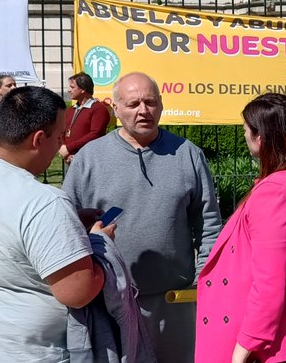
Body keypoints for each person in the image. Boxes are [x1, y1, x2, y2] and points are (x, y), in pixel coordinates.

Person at [0, 85, 114, 361]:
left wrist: (69, 226)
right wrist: (100, 244)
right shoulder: (45, 201)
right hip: (23, 353)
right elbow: (77, 291)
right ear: (39, 139)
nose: (61, 143)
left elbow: (3, 230)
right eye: (60, 136)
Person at [63, 72, 223, 362]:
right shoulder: (90, 158)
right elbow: (66, 225)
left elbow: (208, 224)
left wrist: (202, 281)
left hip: (173, 304)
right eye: (133, 104)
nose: (143, 110)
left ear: (161, 105)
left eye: (150, 102)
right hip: (108, 304)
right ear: (115, 108)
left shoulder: (188, 155)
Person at [197, 93, 286, 363]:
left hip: (275, 344)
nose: (244, 135)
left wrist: (243, 348)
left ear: (260, 137)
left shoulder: (275, 191)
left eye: (246, 130)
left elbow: (269, 282)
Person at [60, 72, 110, 164]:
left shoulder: (98, 109)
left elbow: (96, 134)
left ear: (83, 89)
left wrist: (69, 148)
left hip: (90, 159)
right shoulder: (71, 110)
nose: (69, 90)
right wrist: (65, 149)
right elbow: (62, 131)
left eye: (72, 87)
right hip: (70, 158)